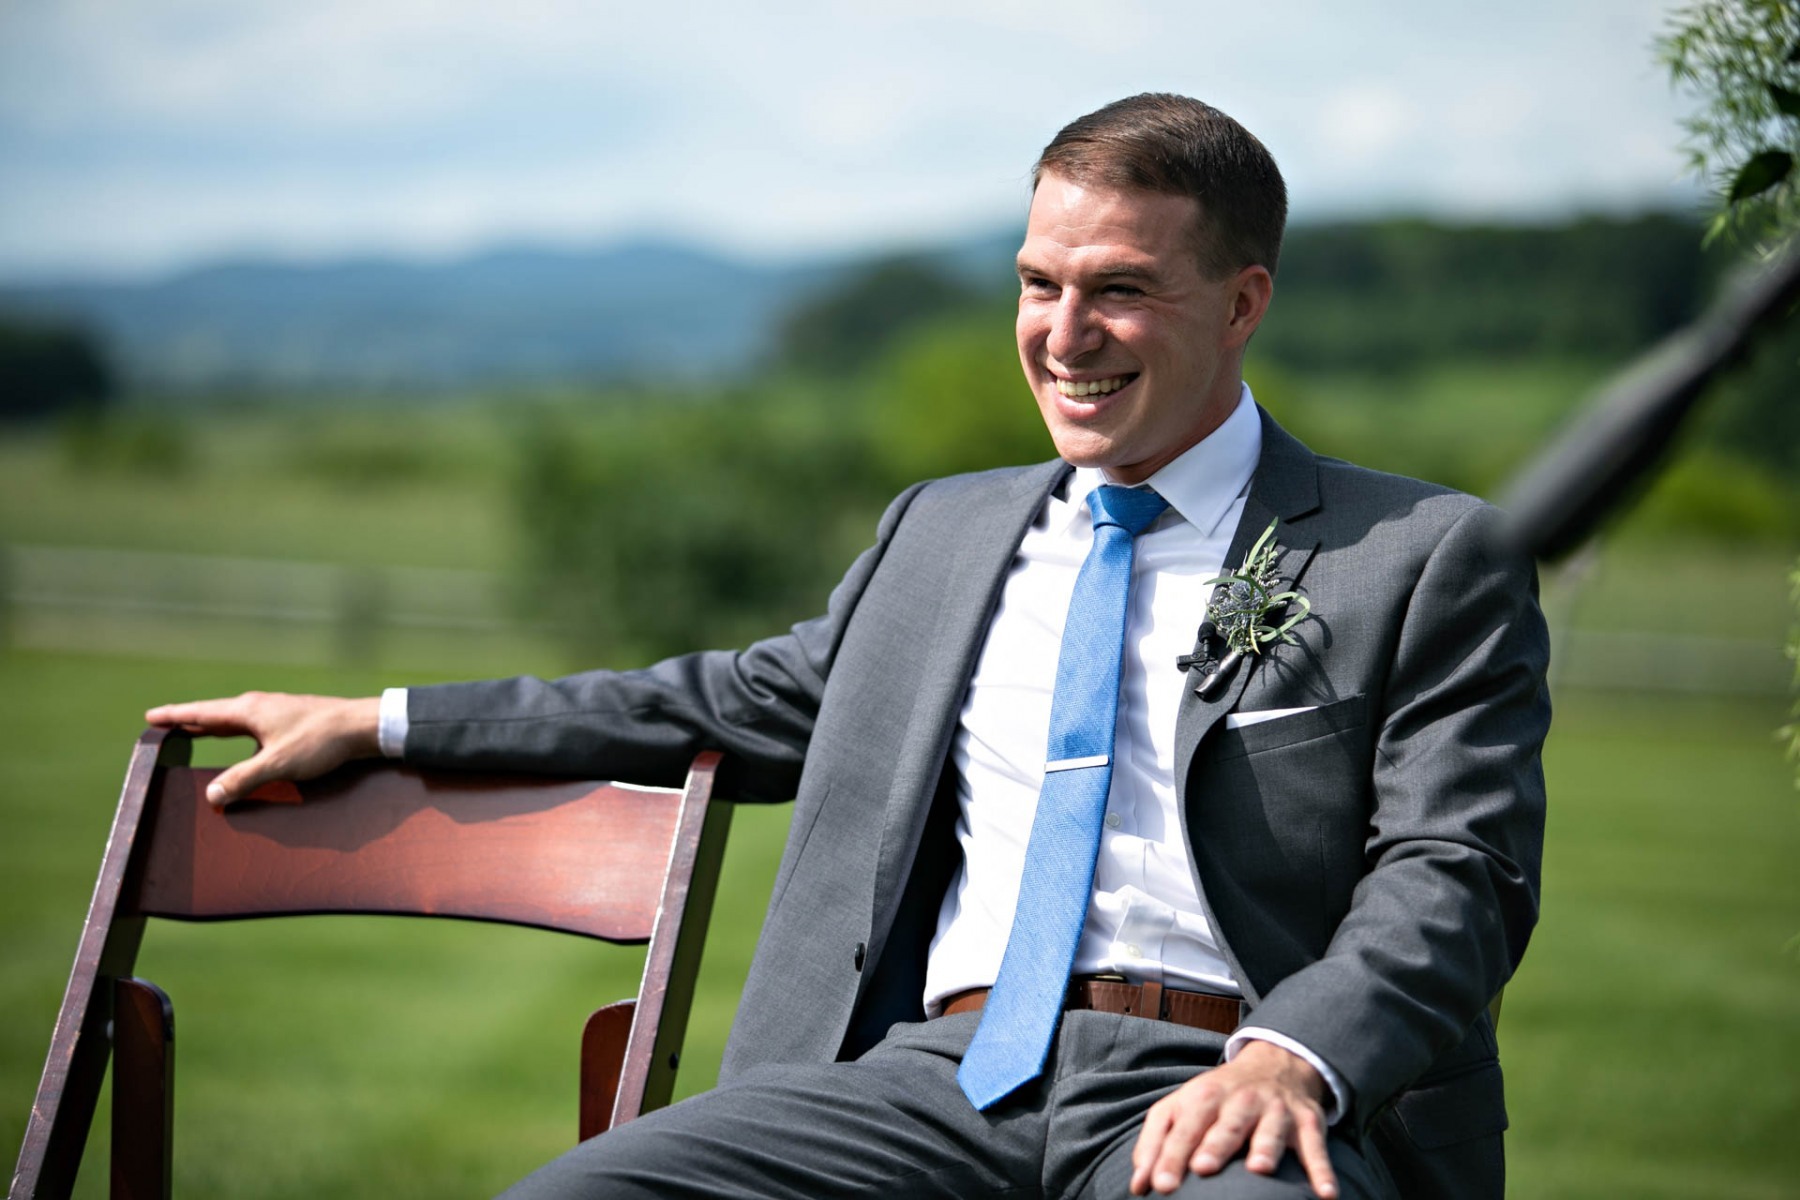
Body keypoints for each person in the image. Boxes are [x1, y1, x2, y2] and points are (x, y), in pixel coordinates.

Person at [148, 94, 1549, 1199]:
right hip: (928, 1082)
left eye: (1118, 290)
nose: (1064, 335)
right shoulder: (939, 532)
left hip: (1221, 1096)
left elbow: (1457, 873)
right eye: (1036, 283)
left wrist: (1292, 1058)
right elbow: (727, 700)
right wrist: (384, 720)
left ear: (1243, 303)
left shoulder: (1417, 555)